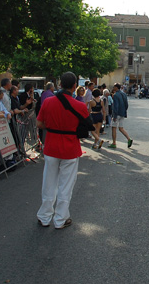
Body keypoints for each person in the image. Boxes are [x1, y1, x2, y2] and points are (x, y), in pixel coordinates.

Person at [36, 72, 89, 229]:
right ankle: (60, 219)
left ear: (60, 85)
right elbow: (85, 126)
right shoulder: (80, 106)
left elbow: (39, 123)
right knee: (66, 186)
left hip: (51, 145)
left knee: (48, 183)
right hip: (70, 148)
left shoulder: (48, 102)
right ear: (74, 87)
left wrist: (52, 126)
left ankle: (44, 216)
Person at [108, 83, 133, 149]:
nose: (113, 88)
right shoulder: (124, 94)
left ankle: (114, 143)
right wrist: (124, 111)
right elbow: (126, 104)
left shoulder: (116, 95)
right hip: (122, 113)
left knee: (114, 128)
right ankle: (129, 139)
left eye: (114, 87)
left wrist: (115, 116)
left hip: (117, 113)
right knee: (121, 128)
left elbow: (116, 106)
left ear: (116, 87)